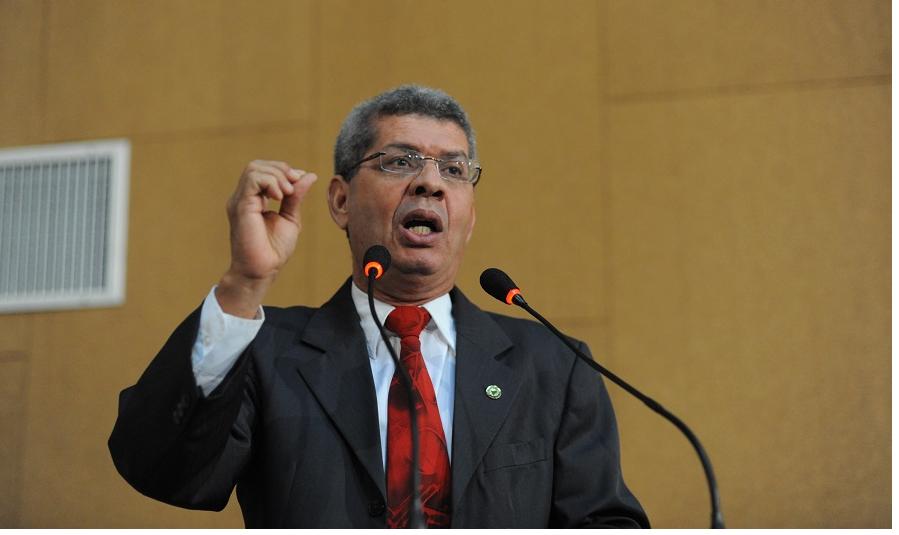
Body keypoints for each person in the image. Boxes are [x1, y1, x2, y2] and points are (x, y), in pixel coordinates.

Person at [108, 85, 649, 528]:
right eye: (400, 162)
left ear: (470, 216)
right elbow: (164, 471)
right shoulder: (268, 351)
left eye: (454, 169)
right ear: (341, 201)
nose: (430, 183)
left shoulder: (552, 366)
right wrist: (244, 284)